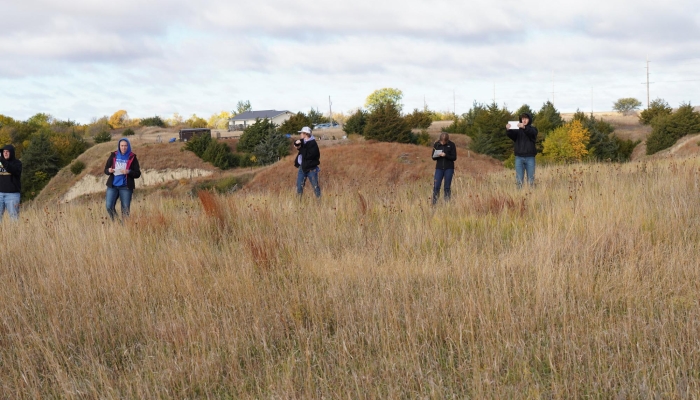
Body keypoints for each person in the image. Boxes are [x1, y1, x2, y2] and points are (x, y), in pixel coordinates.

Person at [104, 138, 141, 220]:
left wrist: (128, 172)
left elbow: (137, 173)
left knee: (125, 210)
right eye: (122, 146)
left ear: (128, 146)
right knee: (109, 206)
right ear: (119, 146)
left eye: (125, 146)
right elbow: (106, 170)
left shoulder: (132, 157)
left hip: (126, 187)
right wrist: (109, 170)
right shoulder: (113, 155)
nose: (123, 147)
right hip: (112, 186)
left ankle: (124, 227)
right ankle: (117, 222)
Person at [506, 112, 538, 188]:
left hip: (530, 158)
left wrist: (524, 128)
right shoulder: (518, 130)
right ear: (521, 120)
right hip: (519, 158)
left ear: (529, 119)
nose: (524, 120)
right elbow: (511, 135)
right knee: (519, 180)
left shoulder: (533, 129)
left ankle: (532, 196)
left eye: (526, 118)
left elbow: (532, 133)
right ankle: (519, 197)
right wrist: (508, 130)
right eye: (523, 119)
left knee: (531, 180)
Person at [293, 126, 321, 198]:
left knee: (315, 187)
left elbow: (307, 156)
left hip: (311, 169)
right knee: (299, 187)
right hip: (302, 168)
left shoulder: (313, 144)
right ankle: (298, 204)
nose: (300, 134)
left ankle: (320, 203)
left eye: (301, 133)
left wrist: (300, 148)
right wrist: (296, 143)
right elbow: (296, 144)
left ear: (305, 134)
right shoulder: (303, 141)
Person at [431, 132, 457, 205]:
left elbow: (454, 157)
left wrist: (445, 155)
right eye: (441, 141)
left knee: (447, 187)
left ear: (447, 140)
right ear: (440, 140)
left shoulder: (452, 145)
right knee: (436, 186)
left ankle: (447, 204)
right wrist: (438, 155)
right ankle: (434, 203)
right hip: (439, 168)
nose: (442, 143)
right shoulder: (436, 144)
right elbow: (433, 157)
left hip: (449, 168)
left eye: (444, 142)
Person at [0, 144, 22, 221]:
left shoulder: (17, 163)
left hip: (12, 195)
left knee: (14, 219)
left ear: (11, 153)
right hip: (0, 194)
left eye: (7, 152)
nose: (5, 153)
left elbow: (12, 170)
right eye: (4, 152)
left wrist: (2, 160)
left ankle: (14, 233)